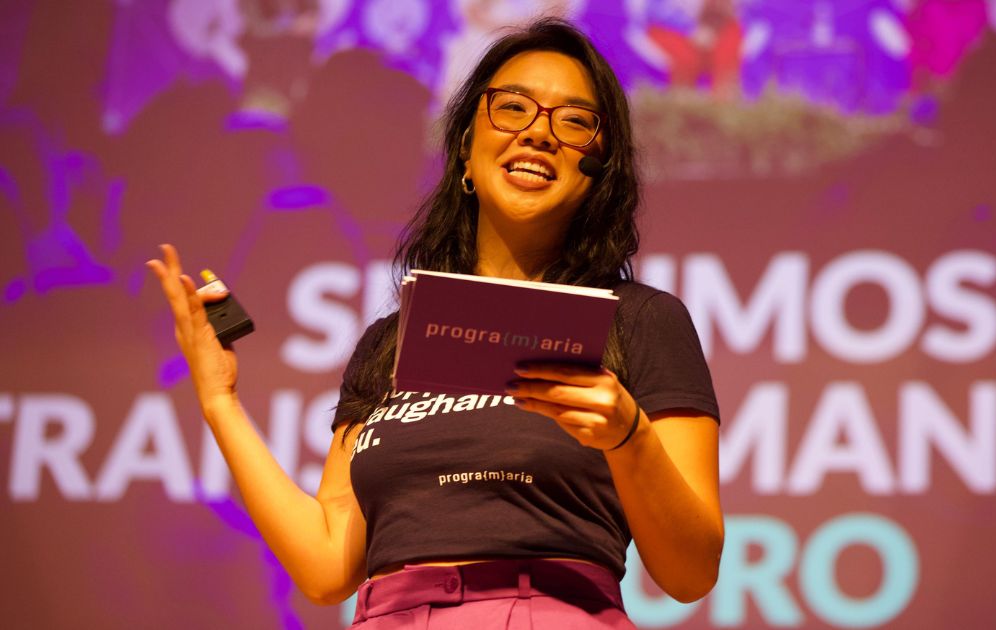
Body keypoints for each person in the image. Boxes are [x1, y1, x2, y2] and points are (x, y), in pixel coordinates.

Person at [147, 18, 722, 629]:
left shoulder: (636, 320)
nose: (537, 134)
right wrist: (220, 401)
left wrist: (629, 436)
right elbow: (325, 566)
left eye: (574, 121)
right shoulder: (389, 343)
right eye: (512, 108)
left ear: (597, 175)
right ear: (467, 153)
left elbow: (690, 573)